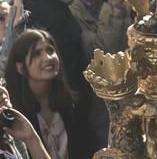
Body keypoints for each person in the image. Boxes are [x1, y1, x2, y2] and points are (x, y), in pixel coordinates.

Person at [4, 30, 94, 159]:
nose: (48, 58)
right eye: (37, 54)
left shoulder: (73, 104)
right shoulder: (14, 114)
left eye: (50, 51)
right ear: (20, 67)